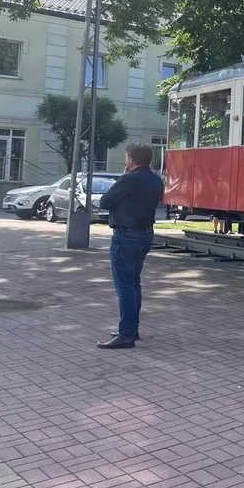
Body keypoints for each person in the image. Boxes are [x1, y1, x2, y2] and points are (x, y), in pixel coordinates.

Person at [96, 142, 165, 350]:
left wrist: (123, 177)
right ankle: (132, 328)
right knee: (134, 283)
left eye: (126, 157)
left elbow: (105, 202)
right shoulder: (156, 179)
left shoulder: (129, 180)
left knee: (124, 285)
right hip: (145, 234)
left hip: (125, 235)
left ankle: (126, 334)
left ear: (131, 160)